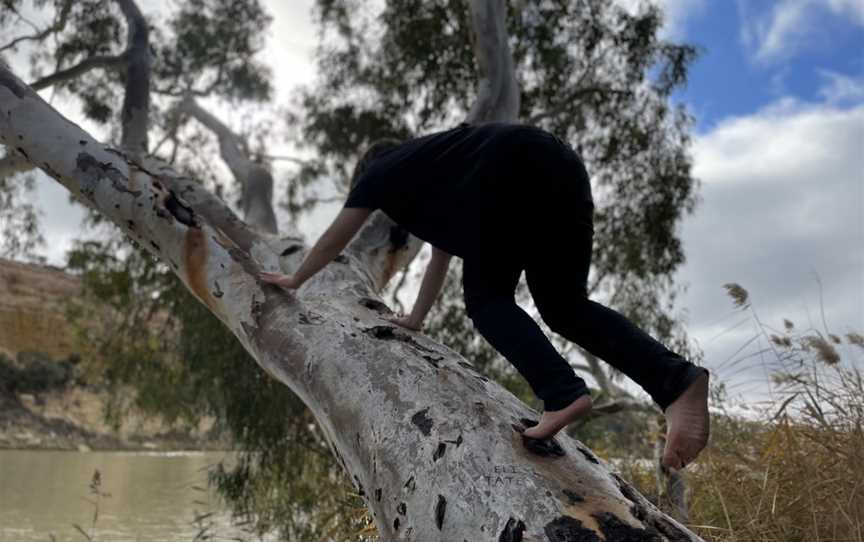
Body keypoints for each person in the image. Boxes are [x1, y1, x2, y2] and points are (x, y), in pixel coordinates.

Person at [259, 121, 709, 470]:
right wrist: (415, 318)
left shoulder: (380, 171)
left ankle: (561, 393)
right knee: (563, 305)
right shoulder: (438, 170)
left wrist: (296, 279)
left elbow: (335, 238)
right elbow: (441, 257)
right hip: (562, 169)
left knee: (487, 299)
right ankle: (676, 382)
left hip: (509, 173)